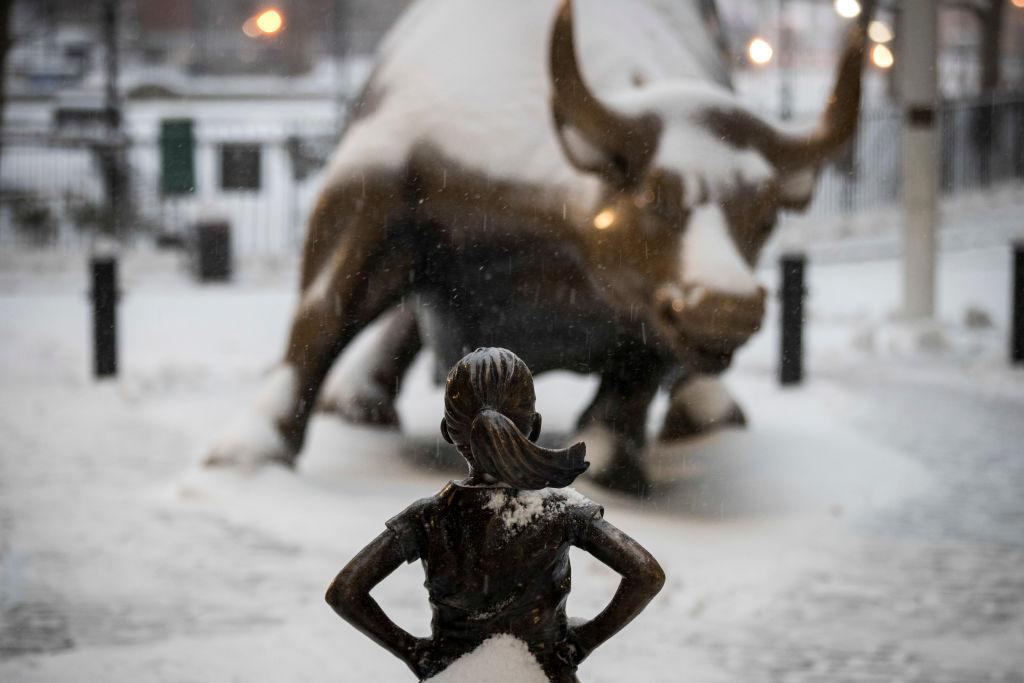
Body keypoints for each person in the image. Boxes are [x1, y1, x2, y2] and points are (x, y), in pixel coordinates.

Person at [326, 347, 665, 681]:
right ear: (533, 426)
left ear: (448, 432)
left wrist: (413, 651)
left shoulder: (428, 517)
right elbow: (646, 574)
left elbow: (345, 591)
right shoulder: (561, 511)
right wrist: (582, 643)